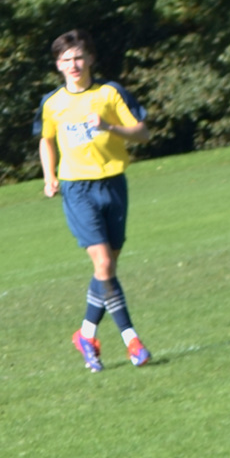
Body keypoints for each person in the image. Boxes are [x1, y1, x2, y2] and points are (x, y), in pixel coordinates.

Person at [39, 29, 153, 371]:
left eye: (78, 57)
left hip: (114, 185)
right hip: (77, 189)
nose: (73, 64)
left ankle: (86, 334)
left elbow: (143, 133)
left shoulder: (109, 93)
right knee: (103, 265)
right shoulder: (52, 103)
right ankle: (132, 341)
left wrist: (110, 127)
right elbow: (45, 139)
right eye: (66, 59)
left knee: (106, 269)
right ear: (58, 65)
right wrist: (49, 175)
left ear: (89, 59)